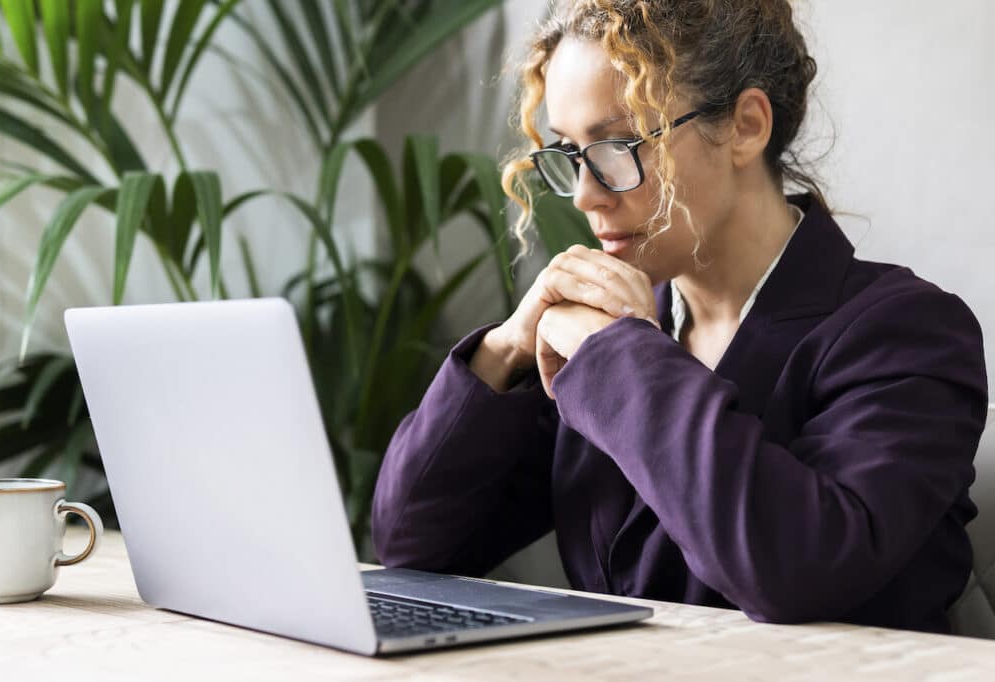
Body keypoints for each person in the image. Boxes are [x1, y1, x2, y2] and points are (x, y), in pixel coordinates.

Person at [370, 0, 988, 634]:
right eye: (570, 153)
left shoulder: (907, 333)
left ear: (746, 126)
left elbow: (797, 571)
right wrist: (504, 352)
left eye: (616, 145)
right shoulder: (601, 341)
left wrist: (628, 359)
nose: (585, 194)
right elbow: (413, 545)